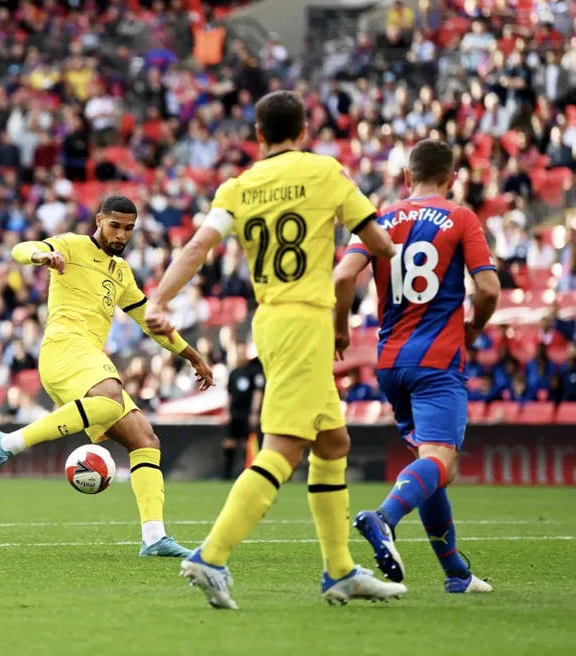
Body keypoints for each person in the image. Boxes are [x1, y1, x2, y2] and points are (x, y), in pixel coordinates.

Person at [145, 90, 403, 609]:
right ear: (304, 131)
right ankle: (211, 556)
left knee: (333, 443)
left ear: (258, 135)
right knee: (284, 448)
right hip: (305, 320)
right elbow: (378, 243)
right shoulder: (325, 172)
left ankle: (340, 571)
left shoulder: (239, 187)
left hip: (271, 319)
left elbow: (198, 246)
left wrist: (159, 299)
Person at [0, 195, 213, 558]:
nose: (121, 234)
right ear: (99, 220)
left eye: (128, 228)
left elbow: (151, 323)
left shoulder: (122, 272)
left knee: (145, 440)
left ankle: (154, 537)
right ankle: (6, 445)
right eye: (115, 225)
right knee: (110, 397)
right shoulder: (70, 245)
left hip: (85, 359)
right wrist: (40, 256)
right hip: (64, 348)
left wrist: (192, 356)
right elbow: (21, 249)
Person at [334, 139, 498, 594]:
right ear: (453, 178)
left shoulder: (380, 218)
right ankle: (384, 518)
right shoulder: (461, 217)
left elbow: (343, 275)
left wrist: (341, 329)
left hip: (391, 362)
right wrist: (473, 326)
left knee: (429, 466)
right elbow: (488, 289)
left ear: (407, 177)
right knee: (442, 462)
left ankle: (456, 573)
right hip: (437, 360)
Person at [224, 342, 264, 480]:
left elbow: (257, 393)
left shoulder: (254, 372)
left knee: (247, 443)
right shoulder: (233, 373)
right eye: (238, 353)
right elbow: (229, 394)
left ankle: (246, 472)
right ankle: (227, 475)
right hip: (235, 412)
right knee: (230, 442)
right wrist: (227, 412)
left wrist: (254, 412)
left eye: (242, 353)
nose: (240, 356)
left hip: (247, 412)